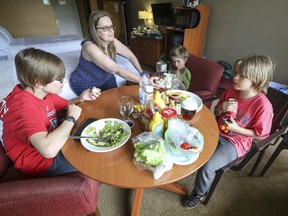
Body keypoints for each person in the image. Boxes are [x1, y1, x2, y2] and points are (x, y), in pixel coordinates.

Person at [182, 54, 274, 208]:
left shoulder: (263, 105)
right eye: (236, 72)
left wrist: (236, 129)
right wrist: (220, 108)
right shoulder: (231, 91)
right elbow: (216, 113)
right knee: (187, 141)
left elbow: (261, 135)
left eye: (241, 75)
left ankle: (199, 193)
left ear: (256, 80)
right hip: (216, 130)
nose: (235, 77)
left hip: (235, 142)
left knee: (208, 165)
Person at [0, 48, 101, 177]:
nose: (64, 82)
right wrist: (70, 119)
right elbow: (49, 150)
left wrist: (80, 98)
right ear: (39, 82)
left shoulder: (39, 92)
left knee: (97, 126)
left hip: (51, 138)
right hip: (41, 162)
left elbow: (66, 105)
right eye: (59, 79)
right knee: (99, 149)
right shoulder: (23, 108)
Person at [69, 11, 159, 95]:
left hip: (106, 80)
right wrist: (144, 81)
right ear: (94, 31)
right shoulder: (90, 47)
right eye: (105, 28)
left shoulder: (111, 40)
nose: (111, 31)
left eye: (111, 27)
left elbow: (130, 56)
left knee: (117, 101)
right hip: (86, 84)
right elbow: (116, 69)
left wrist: (142, 73)